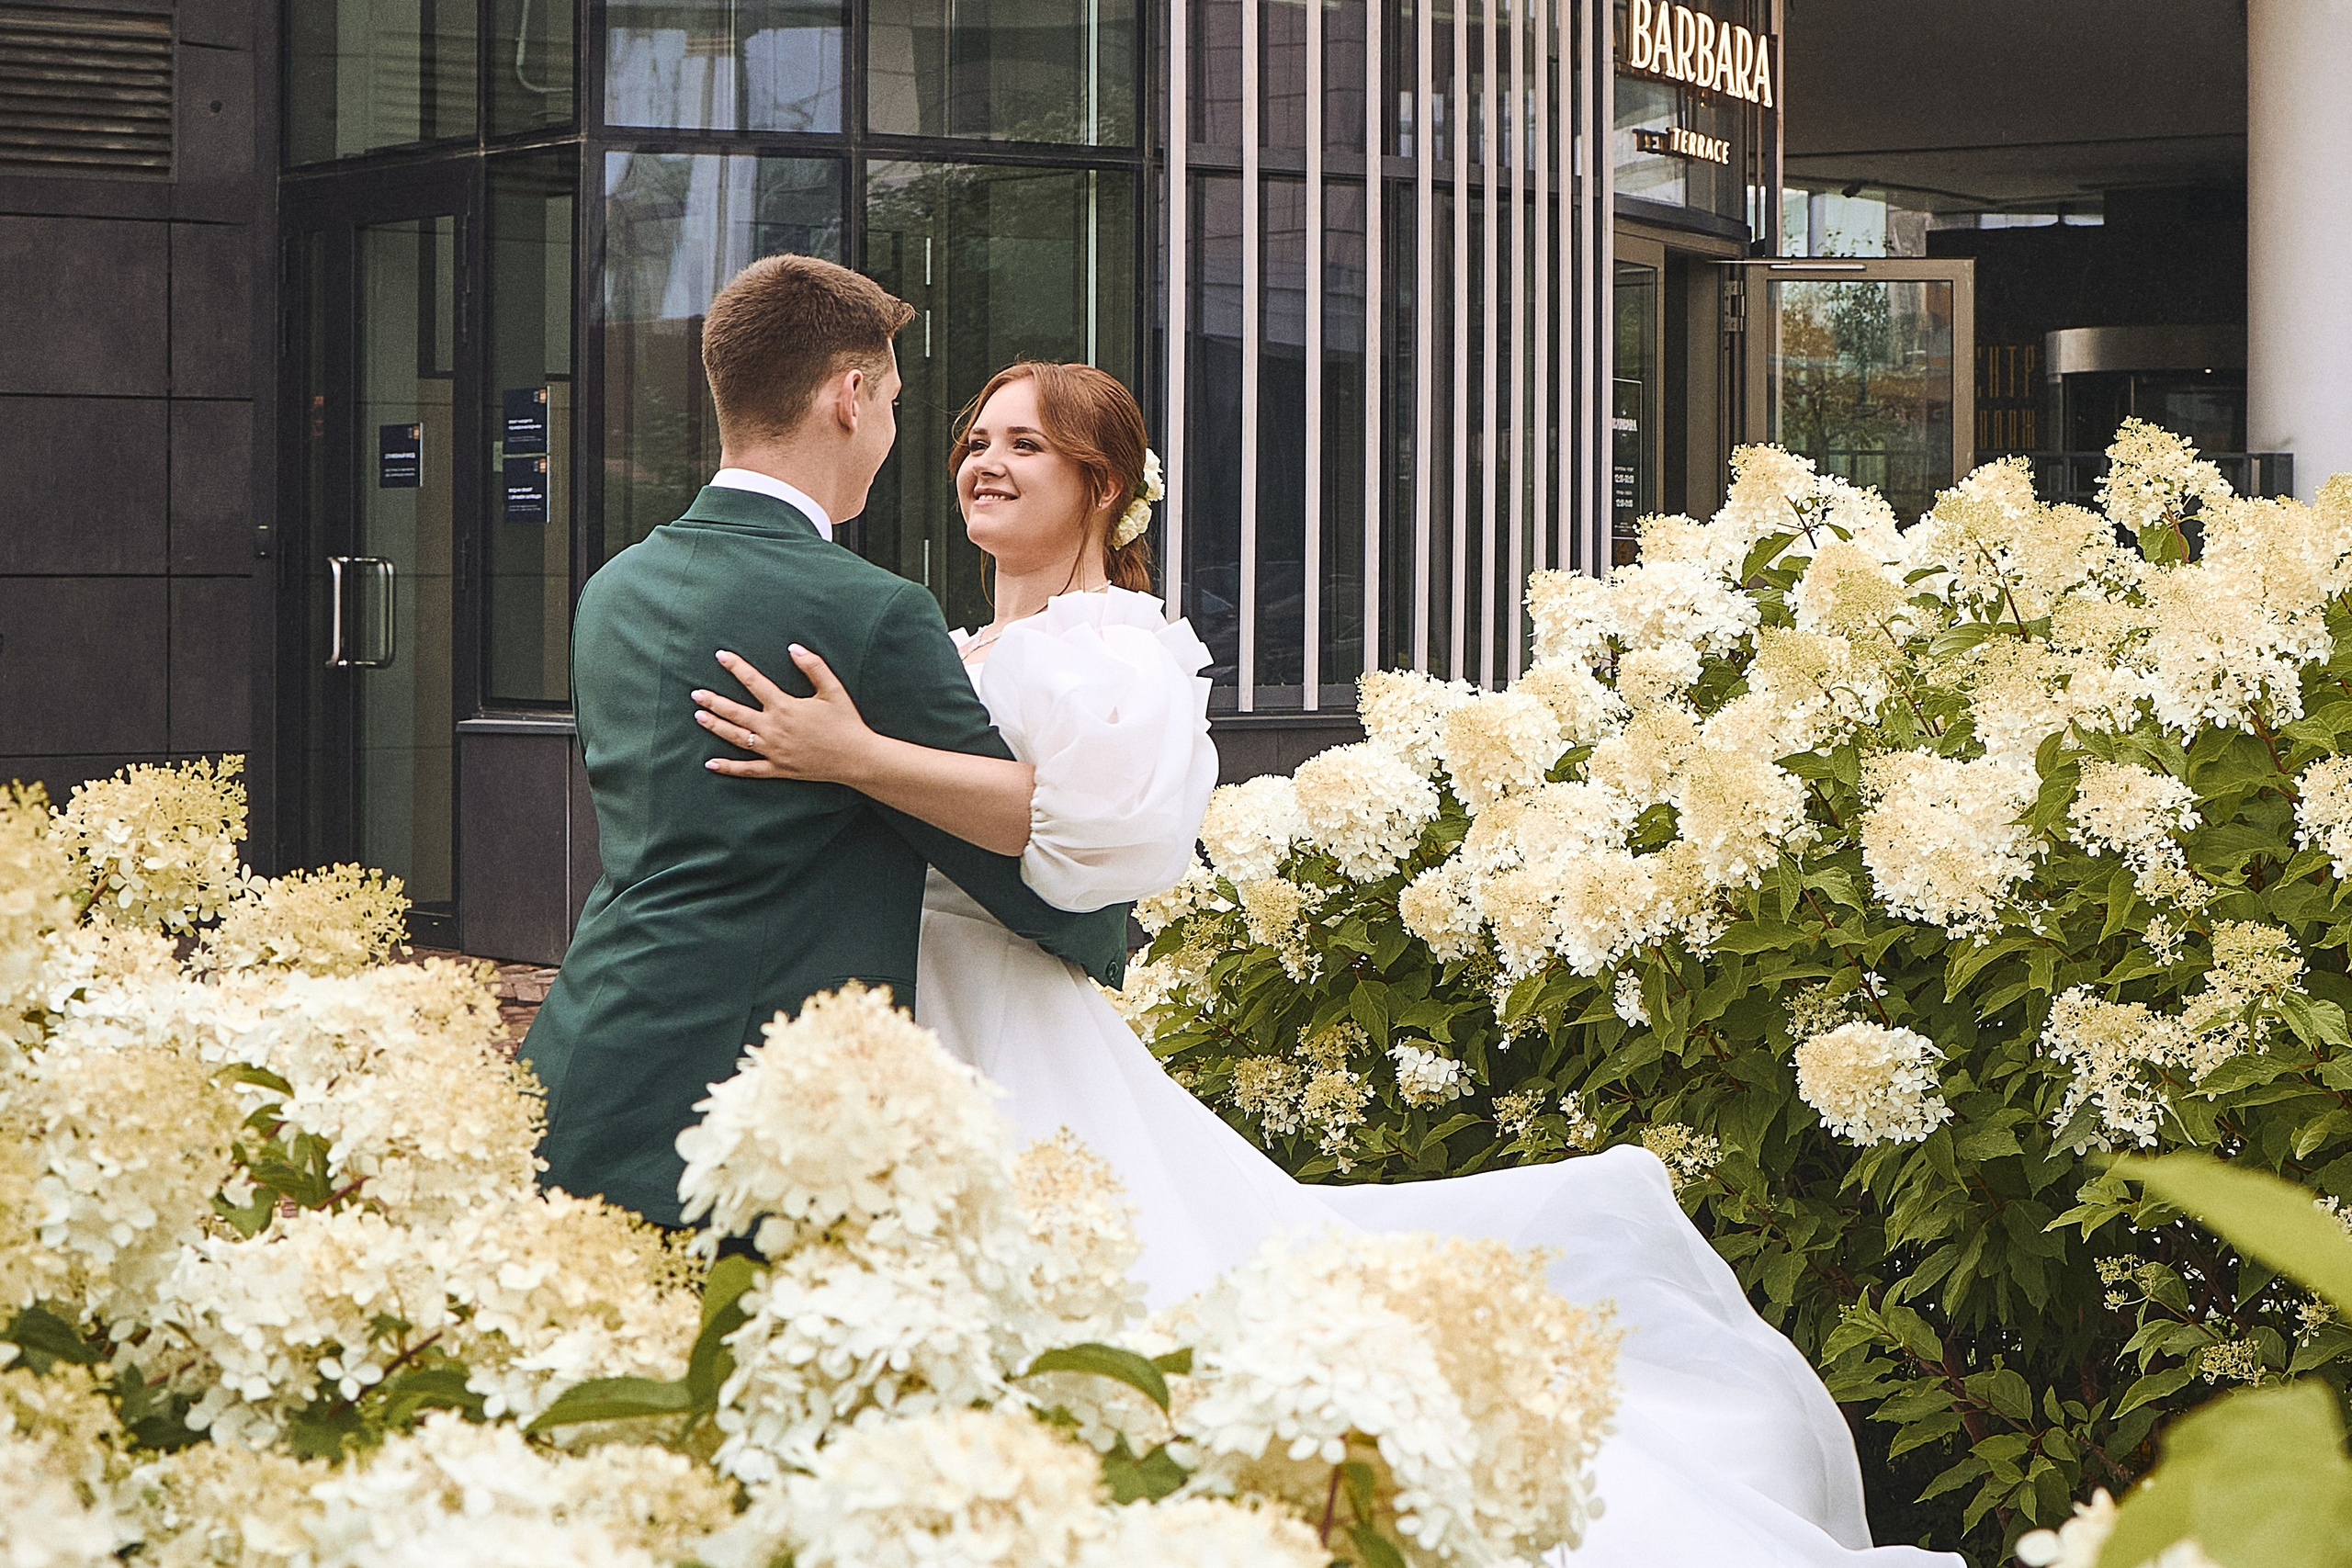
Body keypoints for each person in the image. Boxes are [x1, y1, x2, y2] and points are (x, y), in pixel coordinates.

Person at [689, 360, 1960, 1565]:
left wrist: (854, 756)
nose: (985, 460)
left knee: (1101, 1318)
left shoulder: (1114, 642)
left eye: (1026, 443)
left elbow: (1094, 830)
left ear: (1103, 485)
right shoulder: (962, 650)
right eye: (974, 439)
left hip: (1018, 1016)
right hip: (911, 1009)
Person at [524, 261, 1128, 1229]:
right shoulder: (870, 613)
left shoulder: (614, 590)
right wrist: (1111, 939)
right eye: (890, 400)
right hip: (742, 1104)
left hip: (584, 1048)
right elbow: (1016, 870)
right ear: (848, 398)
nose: (892, 429)